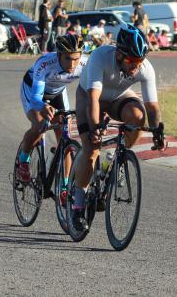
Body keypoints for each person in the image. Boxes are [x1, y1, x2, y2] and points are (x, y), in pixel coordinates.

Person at [71, 24, 165, 232]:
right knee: (91, 150)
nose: (135, 66)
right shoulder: (100, 57)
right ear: (119, 55)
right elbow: (94, 99)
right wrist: (95, 128)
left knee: (138, 115)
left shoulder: (145, 68)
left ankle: (116, 156)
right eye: (131, 61)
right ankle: (78, 206)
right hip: (89, 98)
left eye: (139, 61)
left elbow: (152, 106)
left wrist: (158, 131)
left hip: (118, 97)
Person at [16, 34, 88, 204]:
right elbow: (35, 98)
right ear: (58, 54)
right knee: (40, 125)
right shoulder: (45, 63)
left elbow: (91, 92)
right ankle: (23, 160)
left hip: (57, 93)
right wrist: (42, 107)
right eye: (68, 59)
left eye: (76, 59)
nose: (72, 64)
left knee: (66, 139)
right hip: (34, 92)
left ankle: (63, 187)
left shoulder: (86, 64)